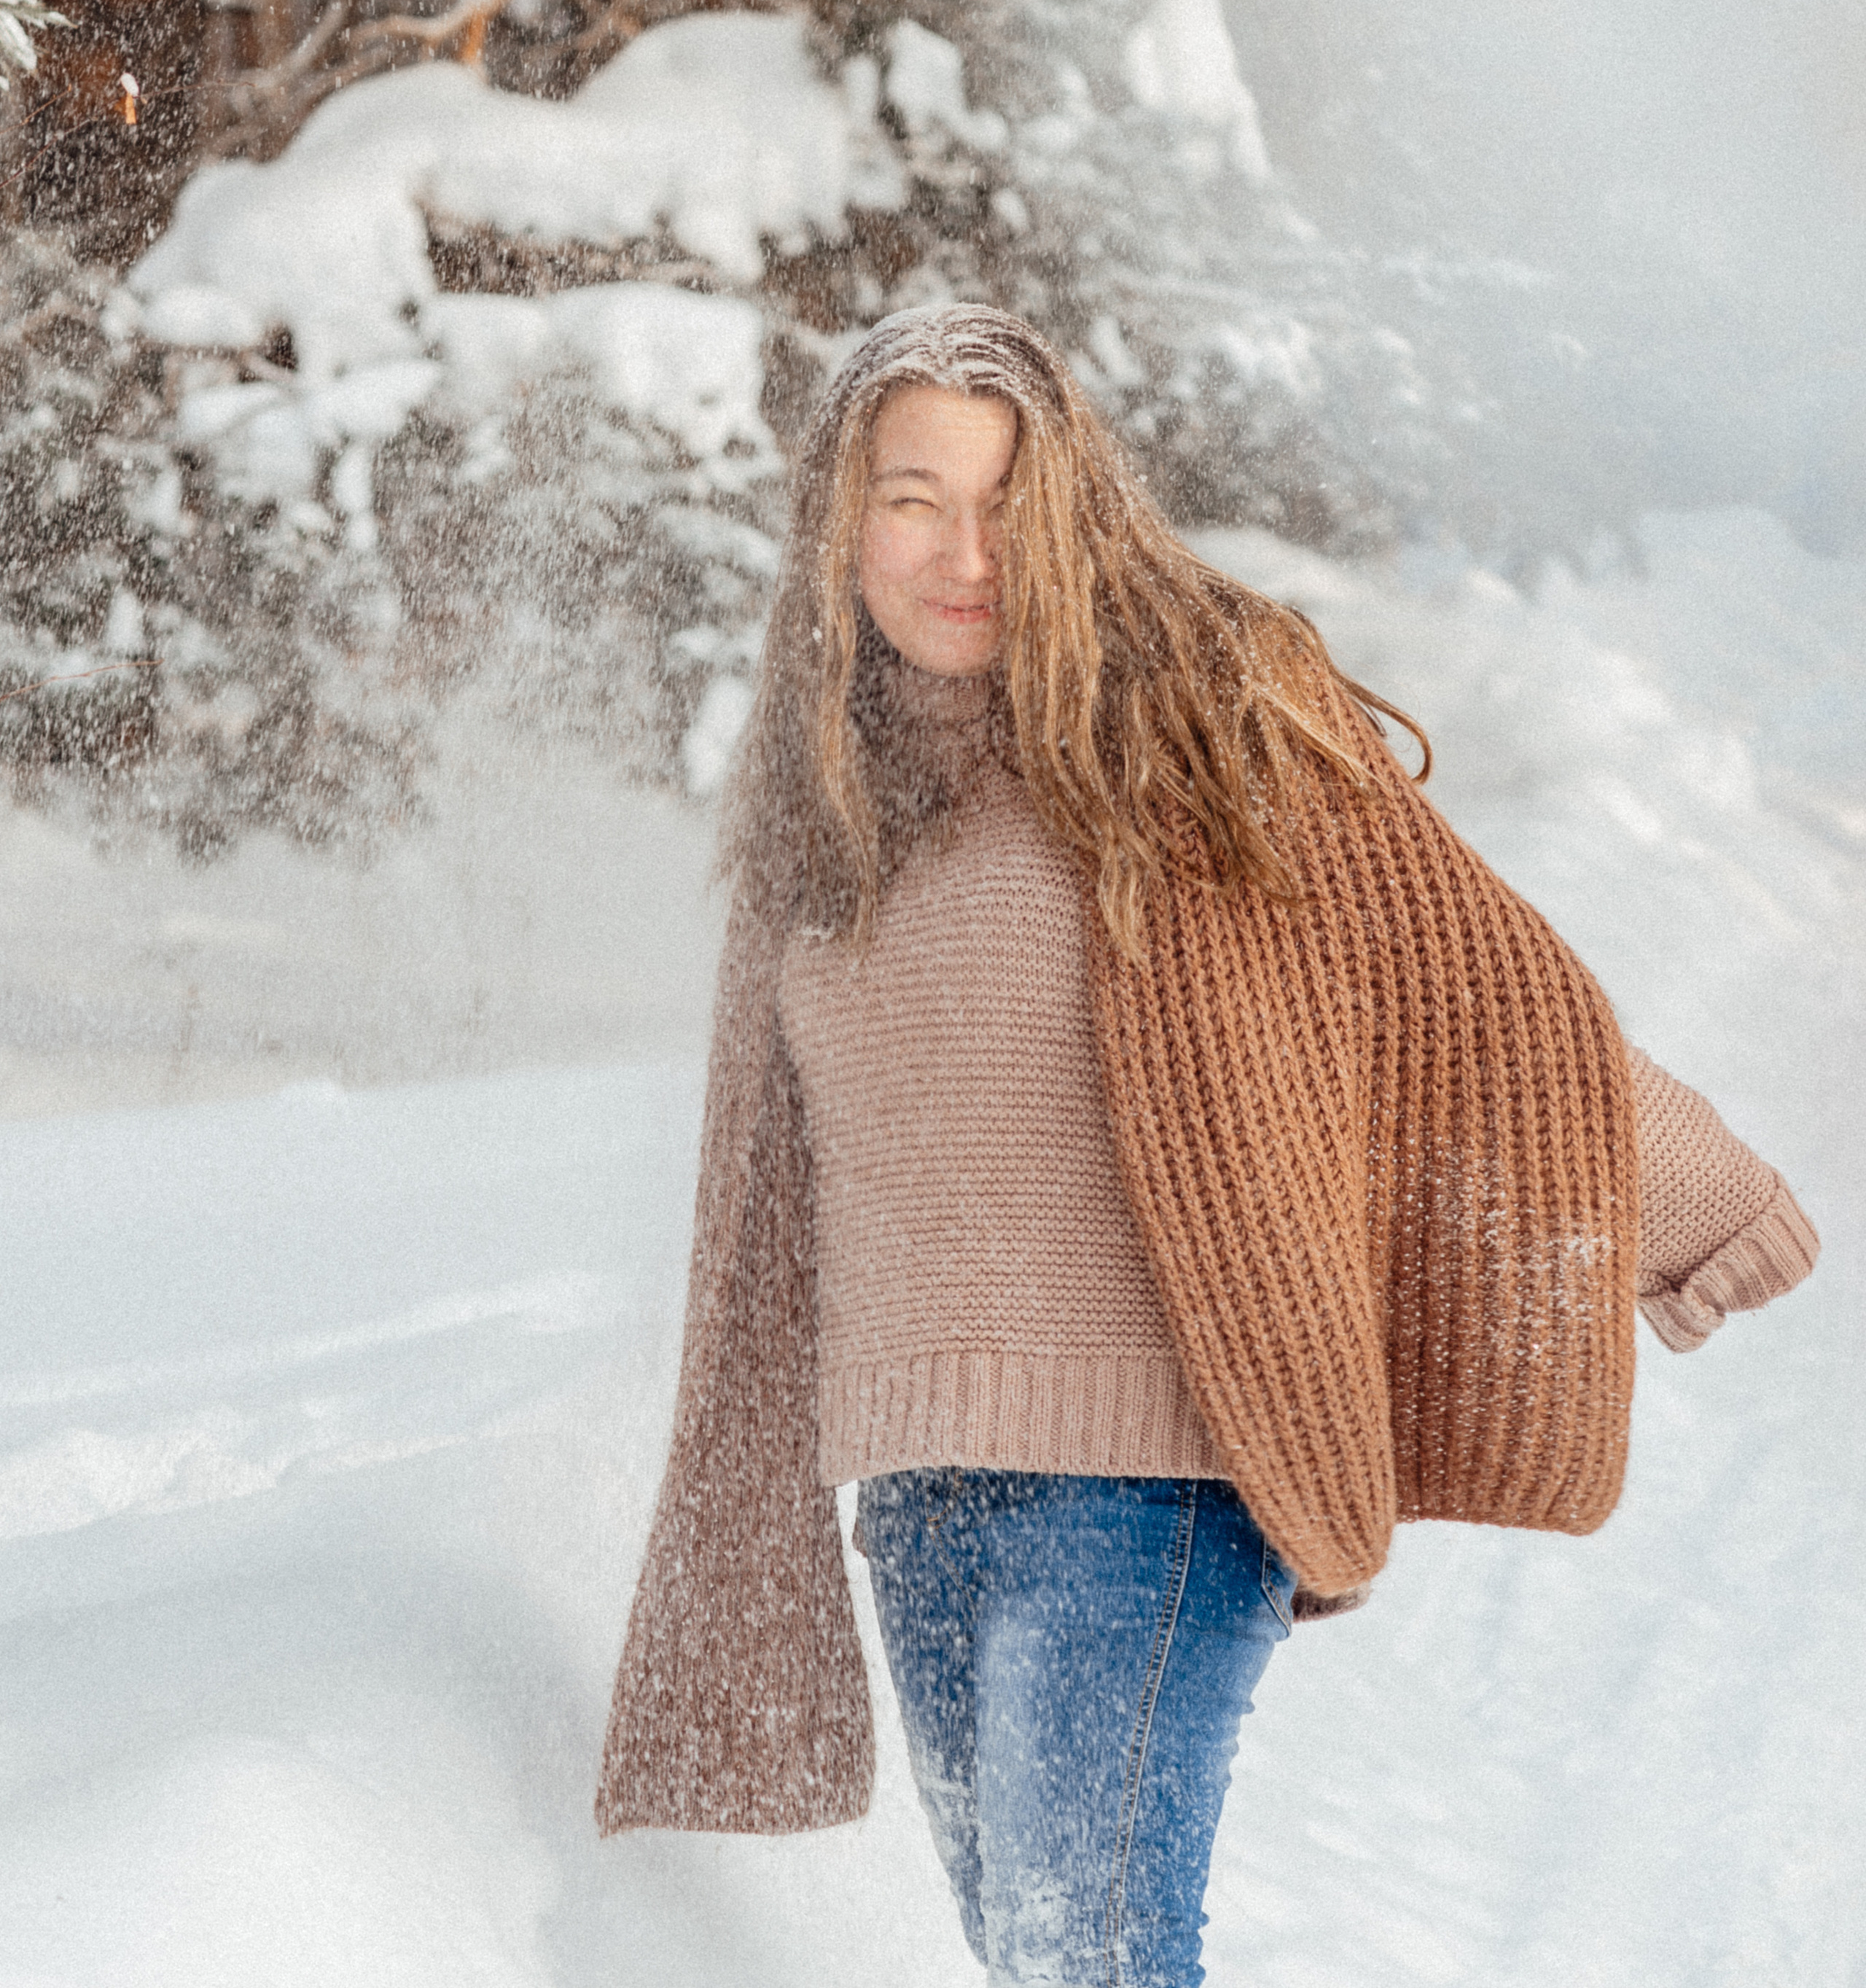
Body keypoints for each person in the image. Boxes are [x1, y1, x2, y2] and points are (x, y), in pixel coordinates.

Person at [596, 304, 1819, 1986]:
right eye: (911, 498)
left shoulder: (1184, 729)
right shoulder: (827, 803)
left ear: (1074, 507)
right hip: (921, 1490)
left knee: (1083, 1953)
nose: (963, 553)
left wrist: (1691, 1187)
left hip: (1149, 1481)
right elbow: (765, 1199)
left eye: (1005, 502)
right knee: (1035, 1954)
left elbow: (1466, 986)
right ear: (836, 521)